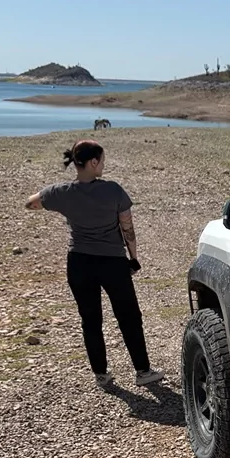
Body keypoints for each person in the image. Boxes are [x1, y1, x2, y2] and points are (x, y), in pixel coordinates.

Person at [25, 139, 164, 390]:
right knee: (129, 317)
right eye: (102, 161)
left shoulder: (62, 192)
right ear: (93, 162)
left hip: (78, 262)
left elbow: (30, 203)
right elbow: (128, 228)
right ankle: (143, 371)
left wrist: (68, 210)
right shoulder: (113, 190)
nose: (103, 165)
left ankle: (101, 375)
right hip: (112, 263)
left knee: (90, 320)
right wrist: (133, 258)